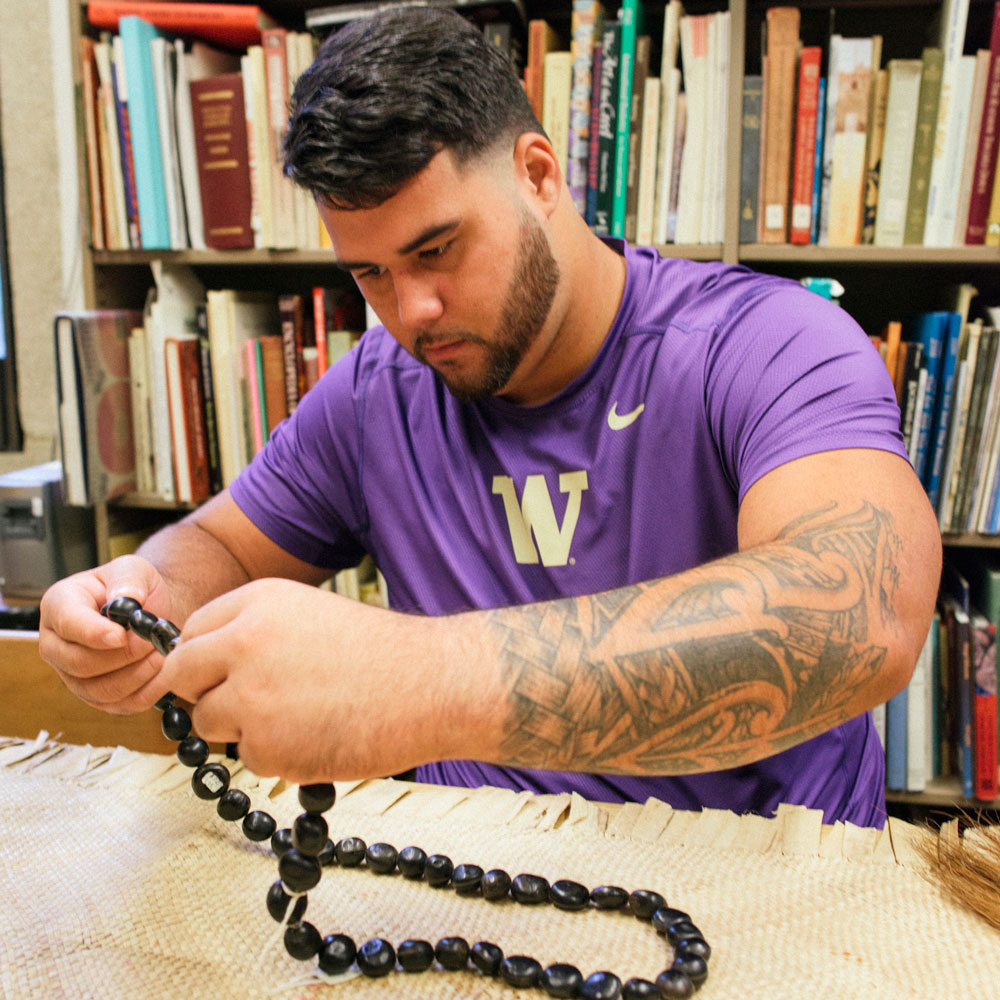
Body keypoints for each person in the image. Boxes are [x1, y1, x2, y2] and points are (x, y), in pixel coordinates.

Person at [39, 8, 941, 828]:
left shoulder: (768, 342)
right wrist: (142, 596)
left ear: (538, 174)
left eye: (438, 249)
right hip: (474, 883)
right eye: (370, 274)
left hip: (764, 899)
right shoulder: (374, 390)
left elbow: (858, 618)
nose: (412, 310)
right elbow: (227, 547)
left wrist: (418, 683)